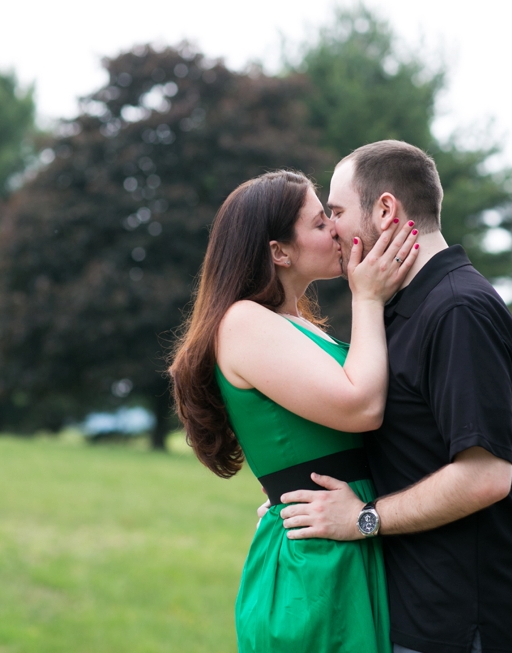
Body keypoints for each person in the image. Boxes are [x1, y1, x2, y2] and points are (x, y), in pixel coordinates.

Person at [273, 141, 512, 653]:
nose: (331, 228)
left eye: (335, 211)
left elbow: (486, 476)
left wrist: (363, 518)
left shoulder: (458, 310)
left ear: (384, 210)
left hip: (463, 623)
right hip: (418, 610)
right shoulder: (403, 308)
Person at [169, 169, 420, 653]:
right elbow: (363, 407)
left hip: (340, 543)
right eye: (320, 222)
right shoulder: (243, 321)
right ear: (279, 252)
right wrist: (366, 298)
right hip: (315, 567)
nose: (336, 230)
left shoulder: (298, 324)